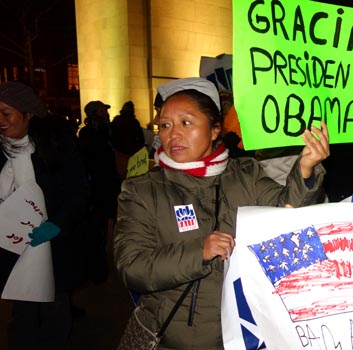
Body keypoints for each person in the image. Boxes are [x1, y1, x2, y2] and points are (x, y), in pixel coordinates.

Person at [113, 77, 330, 349]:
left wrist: (306, 170)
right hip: (174, 339)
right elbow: (132, 267)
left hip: (246, 336)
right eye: (165, 125)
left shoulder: (246, 174)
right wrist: (198, 252)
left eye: (186, 122)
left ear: (215, 129)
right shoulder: (143, 190)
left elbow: (286, 216)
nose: (172, 134)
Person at [0, 81, 91, 349]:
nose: (1, 121)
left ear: (28, 114)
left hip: (55, 247)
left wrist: (56, 224)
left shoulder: (55, 147)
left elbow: (79, 193)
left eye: (7, 113)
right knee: (22, 313)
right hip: (12, 248)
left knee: (55, 309)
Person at [77, 100, 121, 284]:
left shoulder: (108, 129)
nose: (106, 112)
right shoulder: (89, 132)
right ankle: (98, 262)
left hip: (108, 183)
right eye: (103, 110)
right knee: (99, 224)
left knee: (111, 220)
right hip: (97, 185)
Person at [110, 100, 145, 179]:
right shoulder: (134, 122)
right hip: (130, 152)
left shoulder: (117, 121)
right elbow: (140, 138)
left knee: (122, 175)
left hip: (121, 152)